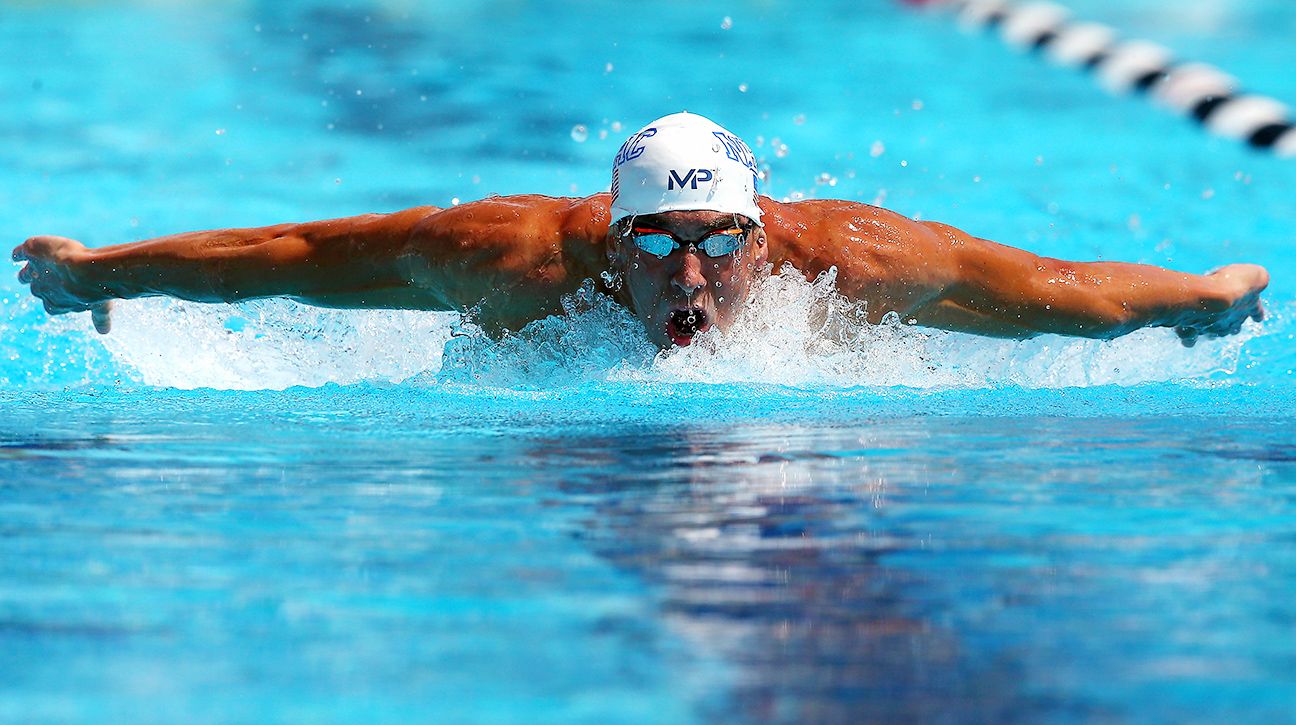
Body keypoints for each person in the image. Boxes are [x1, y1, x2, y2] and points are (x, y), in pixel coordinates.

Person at [12, 112, 1267, 349]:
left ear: (763, 238)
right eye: (656, 245)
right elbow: (285, 258)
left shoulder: (860, 262)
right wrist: (90, 274)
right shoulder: (508, 259)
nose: (692, 273)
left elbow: (1067, 286)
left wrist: (1207, 296)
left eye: (719, 242)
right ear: (607, 244)